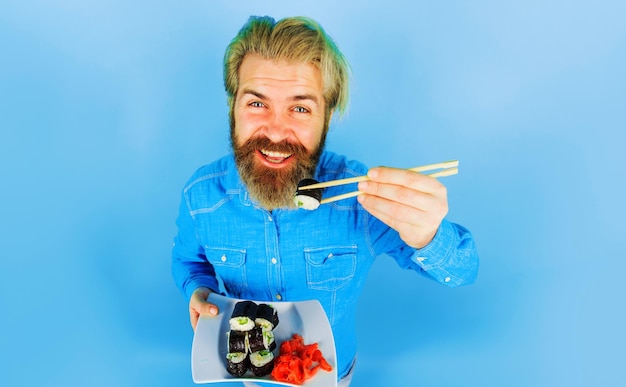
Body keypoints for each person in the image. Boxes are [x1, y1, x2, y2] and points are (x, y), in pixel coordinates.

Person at [171, 15, 479, 386]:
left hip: (330, 374)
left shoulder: (362, 198)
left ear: (326, 117)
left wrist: (428, 234)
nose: (276, 130)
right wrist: (198, 290)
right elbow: (189, 260)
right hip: (247, 375)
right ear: (232, 107)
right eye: (257, 104)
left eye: (300, 108)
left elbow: (463, 272)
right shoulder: (200, 196)